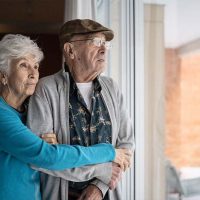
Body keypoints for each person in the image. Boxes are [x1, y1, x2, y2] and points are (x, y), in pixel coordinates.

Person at [0, 34, 131, 200]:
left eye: (36, 66)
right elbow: (50, 157)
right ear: (3, 75)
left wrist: (56, 148)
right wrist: (108, 153)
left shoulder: (26, 112)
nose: (34, 74)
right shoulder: (2, 117)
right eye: (23, 66)